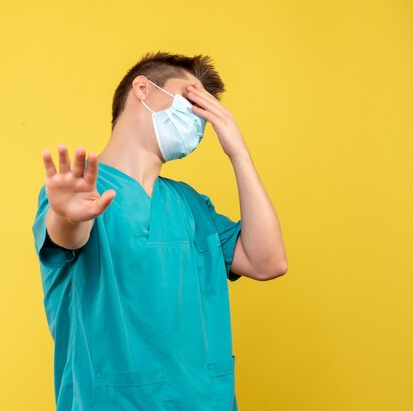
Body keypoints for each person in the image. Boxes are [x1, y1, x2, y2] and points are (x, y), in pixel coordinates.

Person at [31, 51, 287, 410]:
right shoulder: (81, 191)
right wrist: (68, 215)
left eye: (207, 112)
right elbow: (68, 234)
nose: (199, 118)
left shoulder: (192, 205)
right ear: (143, 89)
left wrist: (238, 153)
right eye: (192, 99)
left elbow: (268, 262)